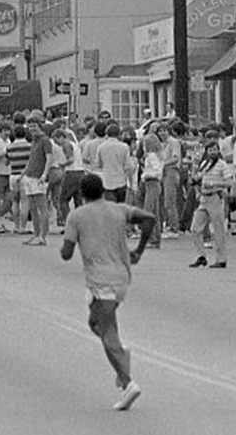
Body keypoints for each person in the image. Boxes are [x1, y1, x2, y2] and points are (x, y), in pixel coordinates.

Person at [60, 174, 156, 411]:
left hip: (100, 282)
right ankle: (121, 355)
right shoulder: (118, 209)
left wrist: (71, 241)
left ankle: (127, 382)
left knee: (107, 331)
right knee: (95, 324)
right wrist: (139, 250)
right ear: (103, 191)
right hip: (122, 278)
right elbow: (149, 218)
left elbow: (66, 253)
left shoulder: (77, 216)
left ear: (82, 195)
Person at [188, 141, 233, 268]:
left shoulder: (222, 165)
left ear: (218, 151)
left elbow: (229, 182)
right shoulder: (205, 164)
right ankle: (201, 256)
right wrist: (194, 167)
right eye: (210, 150)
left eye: (214, 150)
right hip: (204, 198)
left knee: (218, 230)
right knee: (195, 229)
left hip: (215, 198)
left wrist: (215, 185)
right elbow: (196, 179)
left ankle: (221, 259)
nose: (212, 152)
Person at [21, 120, 54, 246]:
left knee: (42, 208)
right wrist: (23, 174)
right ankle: (36, 234)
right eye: (29, 126)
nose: (31, 128)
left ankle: (42, 236)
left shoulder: (45, 140)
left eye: (34, 126)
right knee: (33, 208)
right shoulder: (34, 140)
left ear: (40, 126)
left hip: (38, 177)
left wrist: (44, 175)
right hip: (29, 176)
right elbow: (31, 158)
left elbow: (49, 159)